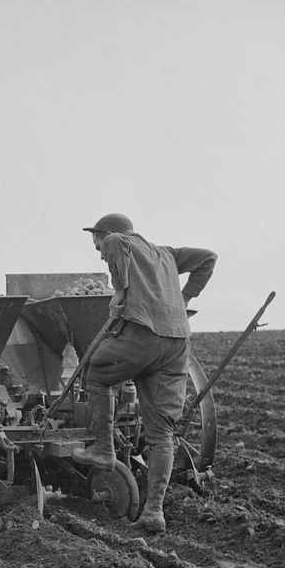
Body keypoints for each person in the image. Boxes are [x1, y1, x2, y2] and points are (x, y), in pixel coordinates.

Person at [72, 213, 217, 534]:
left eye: (96, 243)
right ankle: (153, 512)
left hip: (143, 333)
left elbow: (113, 243)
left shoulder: (118, 241)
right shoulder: (166, 254)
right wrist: (185, 297)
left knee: (95, 374)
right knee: (161, 433)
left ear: (105, 234)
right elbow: (208, 258)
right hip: (178, 342)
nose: (100, 252)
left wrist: (121, 292)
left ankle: (104, 448)